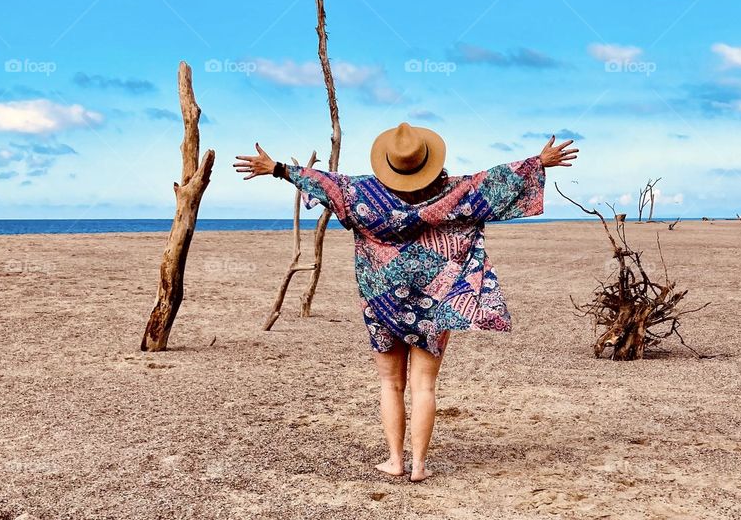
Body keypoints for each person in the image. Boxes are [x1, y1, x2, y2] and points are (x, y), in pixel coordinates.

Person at [235, 123, 578, 482]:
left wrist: (276, 168)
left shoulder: (360, 194)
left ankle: (396, 460)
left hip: (380, 303)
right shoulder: (453, 192)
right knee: (425, 386)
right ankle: (419, 466)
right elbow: (492, 181)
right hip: (437, 302)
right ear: (427, 160)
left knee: (390, 384)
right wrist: (539, 162)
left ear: (389, 162)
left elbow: (323, 182)